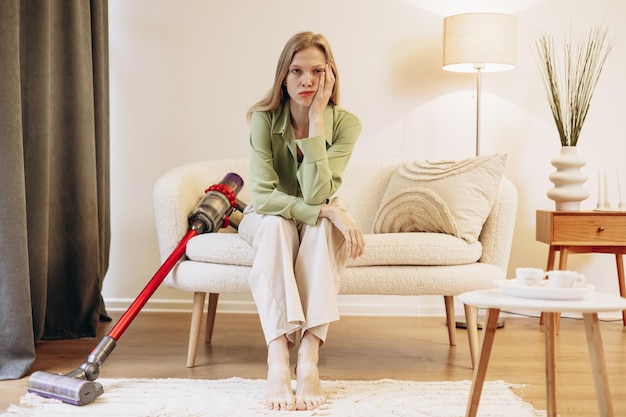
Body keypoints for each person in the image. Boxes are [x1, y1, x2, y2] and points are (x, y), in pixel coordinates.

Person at [238, 31, 365, 411]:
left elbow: (314, 194)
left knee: (324, 226)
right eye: (297, 71)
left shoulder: (346, 124)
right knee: (281, 225)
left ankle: (308, 359)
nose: (307, 81)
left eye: (316, 72)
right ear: (283, 76)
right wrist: (326, 209)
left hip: (314, 212)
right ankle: (278, 358)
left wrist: (316, 124)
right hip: (265, 217)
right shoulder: (262, 119)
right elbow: (262, 197)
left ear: (330, 77)